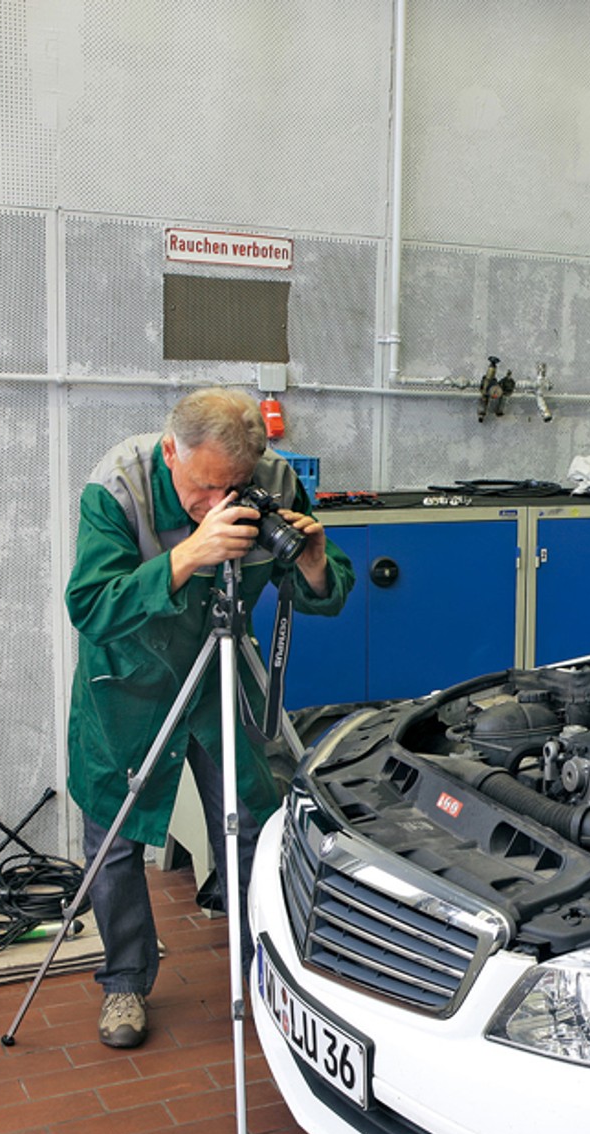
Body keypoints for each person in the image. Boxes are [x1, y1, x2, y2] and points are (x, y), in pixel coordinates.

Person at [66, 387, 354, 1049]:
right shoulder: (119, 487)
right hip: (127, 688)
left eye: (236, 486)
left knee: (256, 824)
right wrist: (190, 552)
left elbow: (327, 593)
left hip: (220, 676)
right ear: (171, 451)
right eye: (204, 487)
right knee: (114, 842)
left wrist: (311, 561)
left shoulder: (273, 483)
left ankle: (265, 969)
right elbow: (89, 603)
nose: (220, 502)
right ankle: (124, 983)